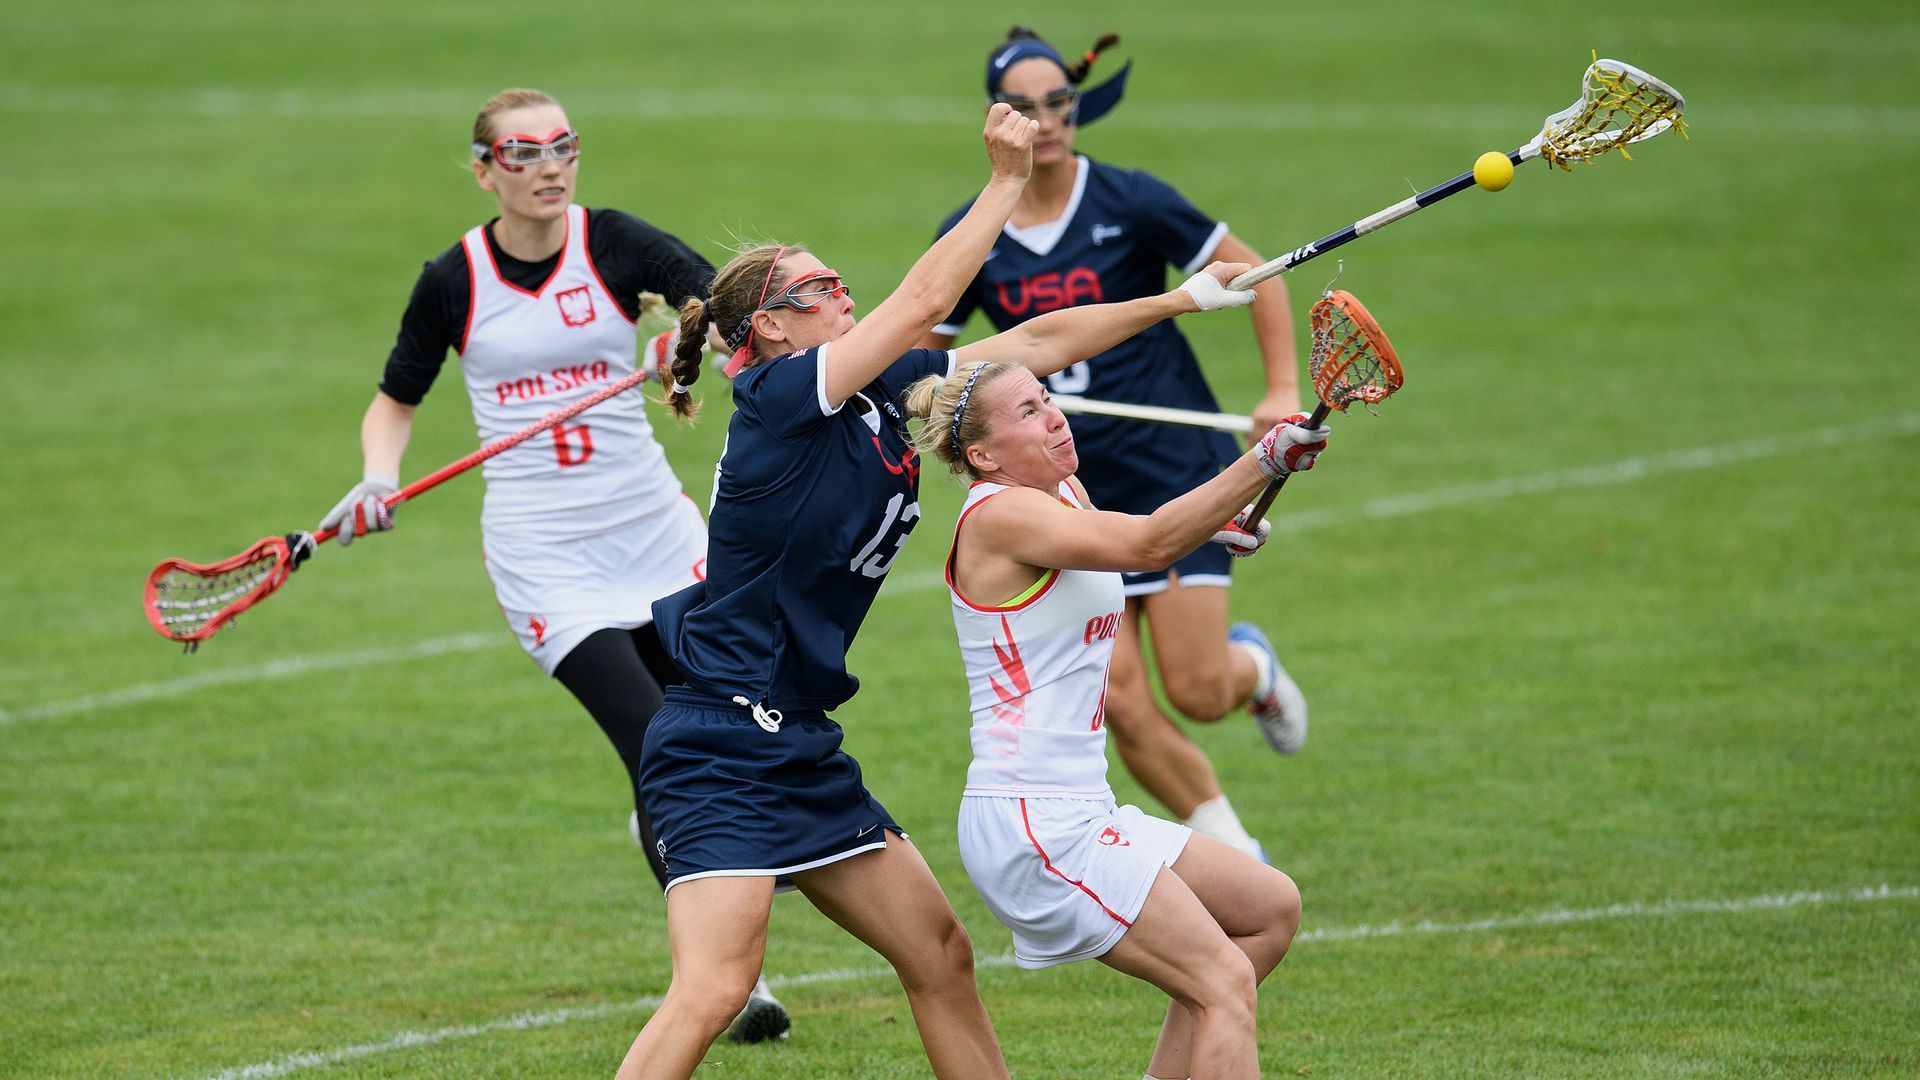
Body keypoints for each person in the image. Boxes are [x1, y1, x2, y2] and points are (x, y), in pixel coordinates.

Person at [614, 102, 1262, 1079]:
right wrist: (1005, 183)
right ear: (773, 329)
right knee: (713, 988)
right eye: (821, 289)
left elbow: (1032, 345)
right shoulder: (782, 399)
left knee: (940, 955)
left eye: (839, 280)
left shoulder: (872, 394)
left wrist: (1181, 301)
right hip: (722, 743)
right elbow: (921, 300)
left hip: (797, 736)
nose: (845, 295)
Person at [314, 87, 788, 1043]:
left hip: (658, 537)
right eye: (523, 153)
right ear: (484, 170)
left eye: (563, 146)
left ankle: (671, 854)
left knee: (721, 733)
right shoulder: (454, 279)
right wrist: (377, 477)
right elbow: (396, 398)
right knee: (658, 745)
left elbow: (718, 303)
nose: (548, 167)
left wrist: (683, 341)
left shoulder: (610, 242)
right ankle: (732, 984)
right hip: (546, 559)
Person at [920, 27, 1311, 862]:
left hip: (1173, 465)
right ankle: (1236, 854)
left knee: (1199, 690)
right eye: (1025, 107)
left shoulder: (1130, 199)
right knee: (1123, 701)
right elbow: (928, 362)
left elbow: (1258, 276)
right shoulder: (977, 231)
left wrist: (1279, 390)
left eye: (1059, 101)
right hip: (1067, 487)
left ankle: (1254, 670)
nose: (1047, 120)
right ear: (997, 118)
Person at [904, 359, 1323, 1080]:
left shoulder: (1061, 492)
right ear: (983, 456)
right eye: (1028, 413)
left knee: (1268, 910)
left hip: (1078, 807)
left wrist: (1212, 528)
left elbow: (1124, 540)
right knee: (1222, 983)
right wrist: (1262, 460)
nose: (1055, 416)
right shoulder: (1001, 515)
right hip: (1035, 822)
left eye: (1046, 398)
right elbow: (1148, 544)